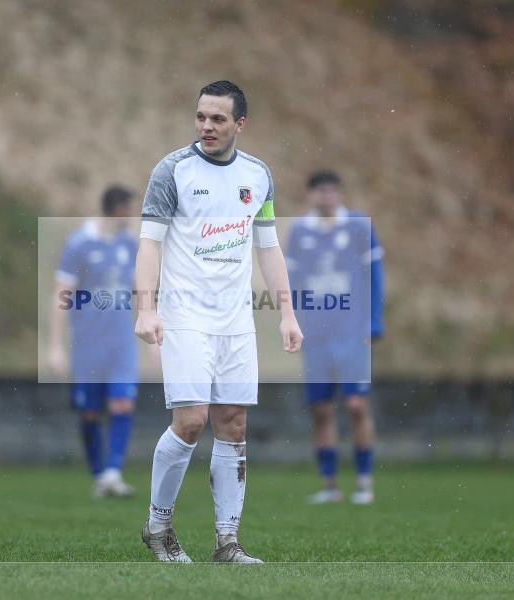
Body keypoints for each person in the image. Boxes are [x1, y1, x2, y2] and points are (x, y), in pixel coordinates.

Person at [135, 80, 303, 563]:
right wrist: (147, 308)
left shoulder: (259, 176)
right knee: (190, 421)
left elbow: (267, 247)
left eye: (218, 119)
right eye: (200, 117)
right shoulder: (172, 171)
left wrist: (287, 314)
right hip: (184, 315)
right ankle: (158, 525)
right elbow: (150, 243)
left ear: (240, 124)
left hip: (236, 321)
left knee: (233, 423)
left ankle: (227, 543)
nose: (206, 126)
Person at [284, 171, 384, 505]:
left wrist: (374, 320)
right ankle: (330, 485)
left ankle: (364, 482)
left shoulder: (358, 226)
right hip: (316, 336)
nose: (327, 197)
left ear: (340, 193)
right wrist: (292, 322)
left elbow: (375, 276)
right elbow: (290, 283)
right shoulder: (299, 231)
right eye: (321, 191)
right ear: (310, 195)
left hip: (351, 332)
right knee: (322, 410)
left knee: (356, 405)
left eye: (332, 191)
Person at [49, 186, 138, 498]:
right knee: (89, 413)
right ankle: (100, 474)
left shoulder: (129, 242)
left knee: (122, 403)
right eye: (129, 209)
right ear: (116, 210)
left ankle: (113, 472)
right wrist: (56, 345)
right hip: (87, 344)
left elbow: (142, 288)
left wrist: (153, 335)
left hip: (121, 342)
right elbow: (61, 294)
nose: (132, 215)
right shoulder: (79, 244)